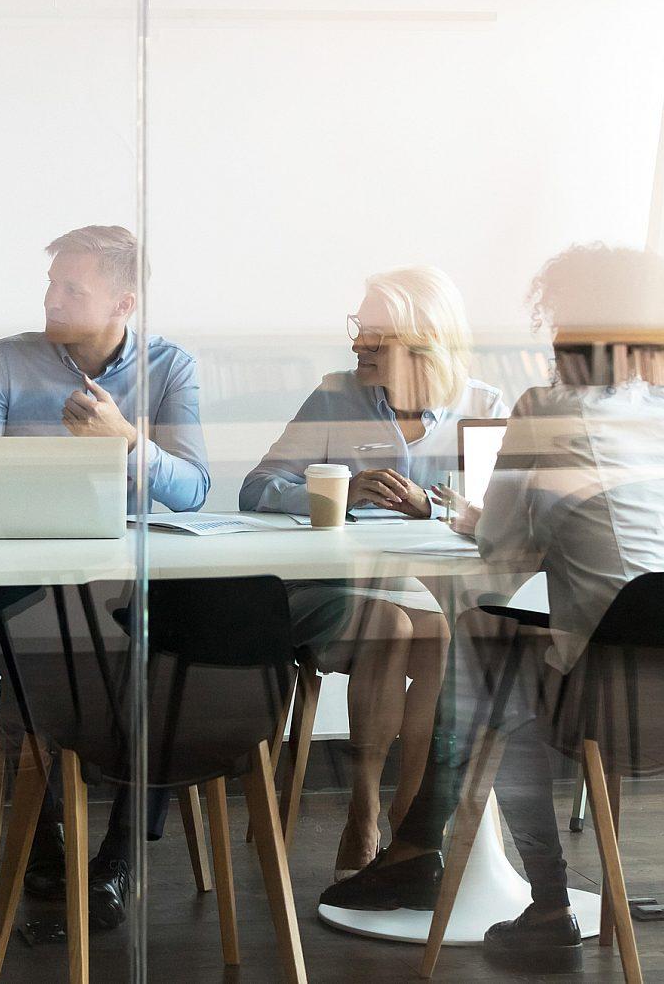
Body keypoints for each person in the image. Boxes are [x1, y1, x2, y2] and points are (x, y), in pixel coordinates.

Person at [321, 244, 664, 970]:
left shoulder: (547, 408)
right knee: (481, 650)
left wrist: (472, 517)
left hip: (591, 689)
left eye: (558, 318)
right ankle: (417, 846)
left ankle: (537, 895)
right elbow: (552, 533)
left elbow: (503, 546)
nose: (551, 335)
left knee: (482, 658)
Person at [0, 224, 210, 927]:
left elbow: (193, 489)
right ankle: (44, 836)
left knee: (166, 656)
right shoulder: (7, 361)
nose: (51, 298)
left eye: (71, 288)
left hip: (120, 583)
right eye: (52, 284)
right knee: (48, 641)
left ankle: (119, 853)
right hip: (19, 578)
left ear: (123, 302)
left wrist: (122, 440)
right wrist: (50, 487)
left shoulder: (171, 368)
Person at [239, 265, 507, 877]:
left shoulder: (484, 406)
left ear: (424, 342)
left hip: (435, 593)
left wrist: (435, 506)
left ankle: (411, 817)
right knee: (394, 624)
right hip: (338, 588)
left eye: (376, 336)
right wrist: (337, 490)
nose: (357, 344)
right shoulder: (336, 395)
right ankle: (365, 812)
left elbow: (503, 518)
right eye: (359, 329)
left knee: (434, 629)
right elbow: (256, 489)